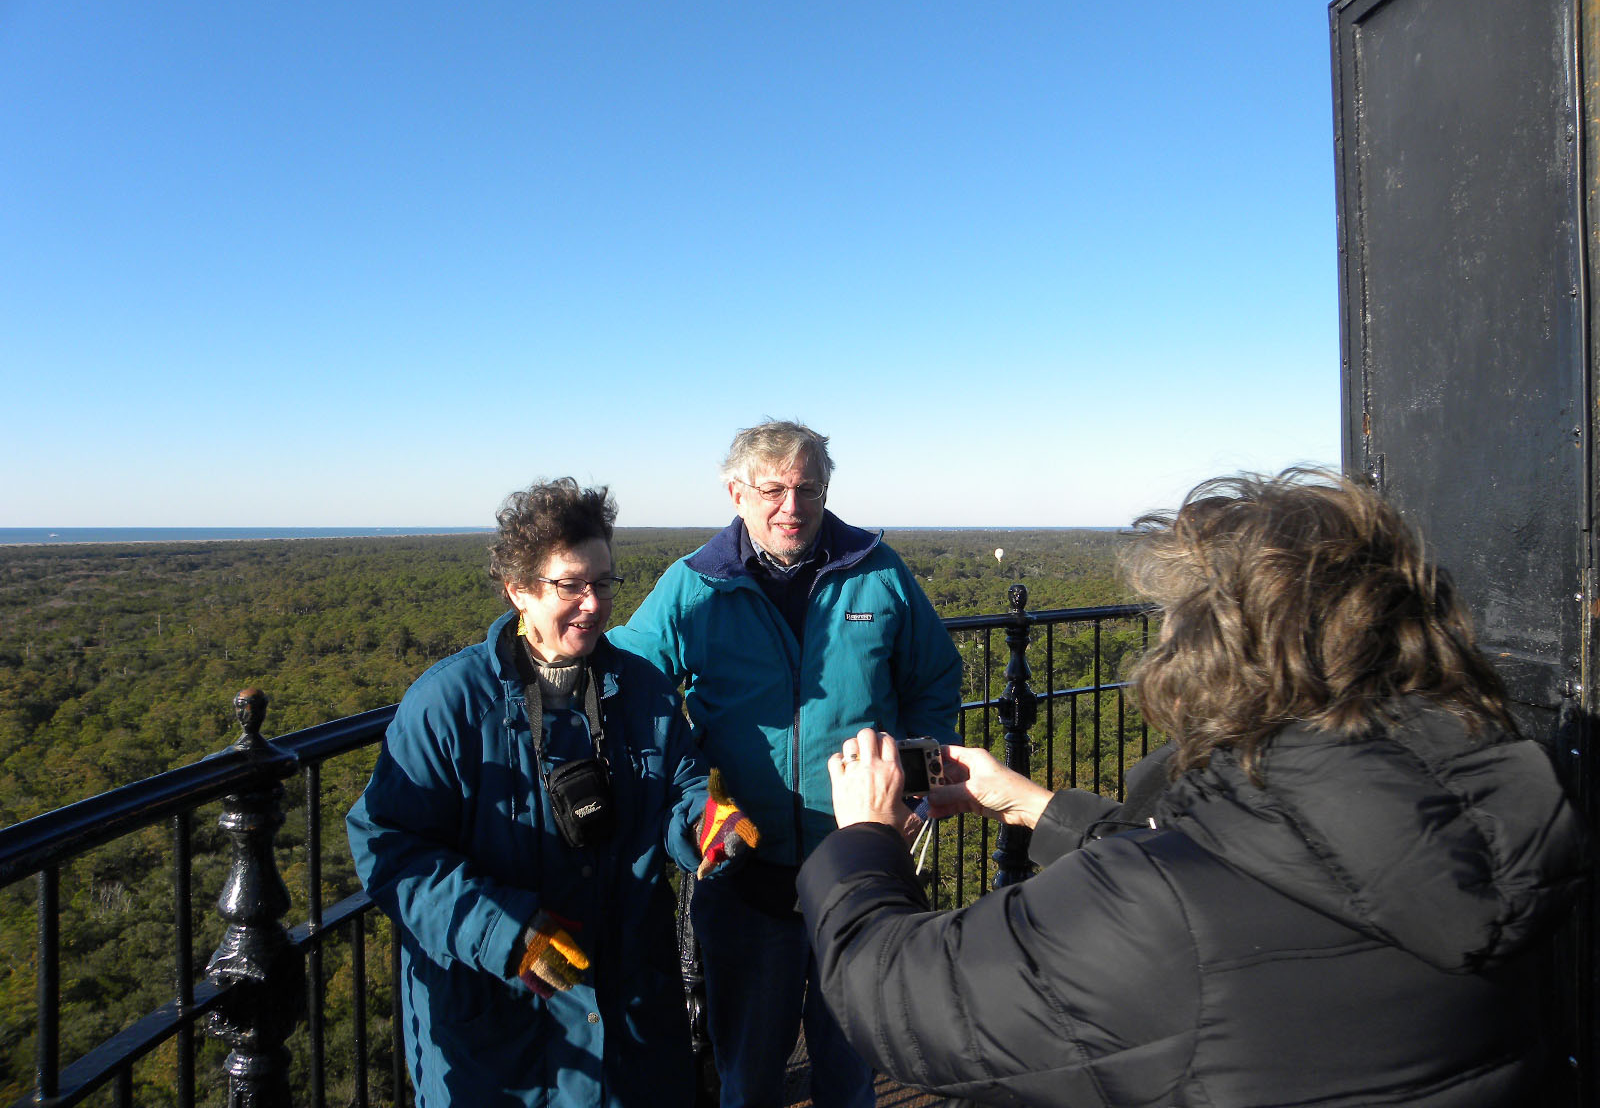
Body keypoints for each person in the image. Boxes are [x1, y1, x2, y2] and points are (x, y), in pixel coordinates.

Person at [798, 469, 1589, 1108]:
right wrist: (1035, 806)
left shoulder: (1155, 919)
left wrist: (863, 841)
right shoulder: (1489, 834)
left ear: (1209, 655)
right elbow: (1272, 865)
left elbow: (899, 999)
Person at [609, 419, 962, 1108]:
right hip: (743, 867)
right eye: (772, 489)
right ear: (735, 491)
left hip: (859, 863)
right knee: (749, 1074)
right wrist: (692, 800)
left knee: (852, 1067)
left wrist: (913, 788)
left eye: (808, 488)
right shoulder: (695, 586)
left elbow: (934, 681)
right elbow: (634, 688)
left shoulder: (877, 572)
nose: (791, 507)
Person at [347, 479, 726, 1108]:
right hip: (500, 1036)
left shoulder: (643, 689)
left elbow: (683, 784)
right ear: (519, 589)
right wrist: (508, 935)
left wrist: (706, 823)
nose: (592, 604)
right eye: (570, 585)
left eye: (603, 583)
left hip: (629, 1022)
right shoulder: (450, 706)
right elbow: (390, 849)